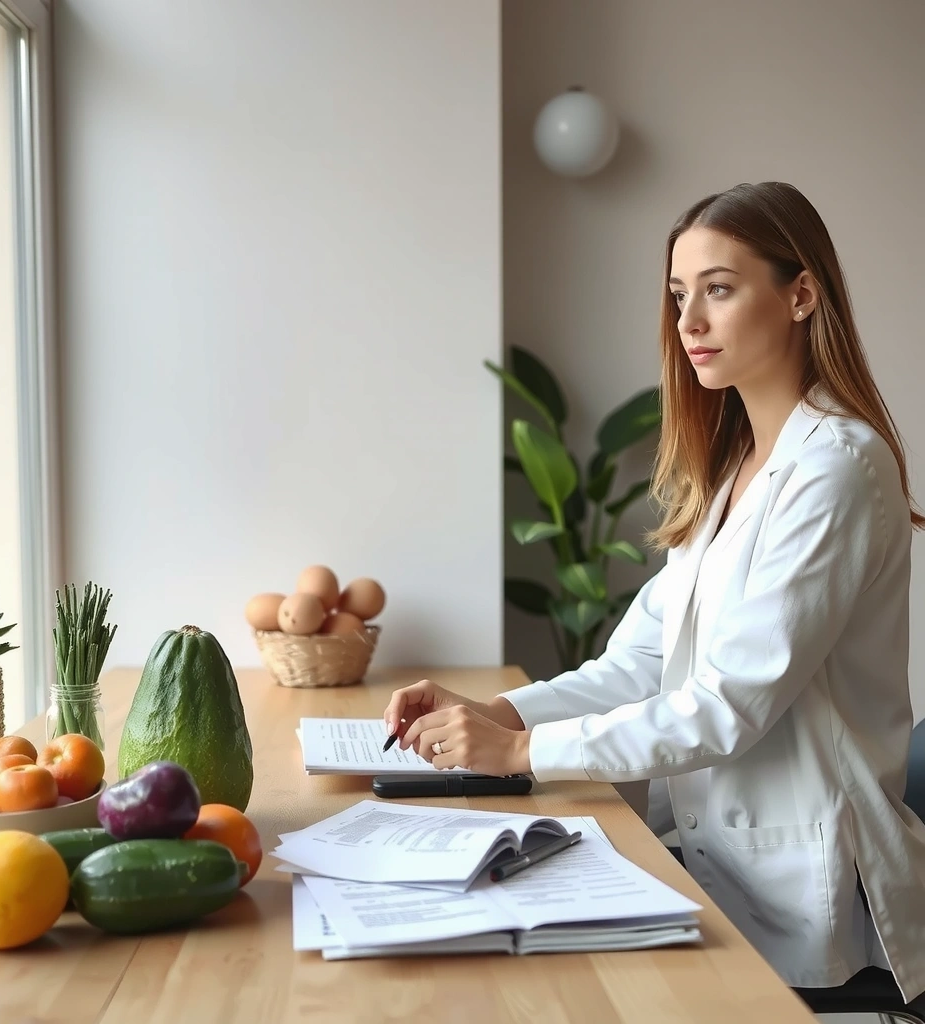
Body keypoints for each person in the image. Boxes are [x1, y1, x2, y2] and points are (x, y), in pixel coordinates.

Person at [383, 181, 925, 1003]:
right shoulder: (734, 468)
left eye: (719, 289)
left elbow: (729, 703)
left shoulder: (837, 468)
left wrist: (522, 754)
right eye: (679, 296)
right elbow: (640, 663)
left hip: (814, 907)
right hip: (721, 871)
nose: (689, 322)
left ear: (801, 295)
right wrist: (501, 715)